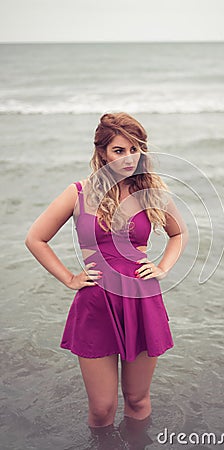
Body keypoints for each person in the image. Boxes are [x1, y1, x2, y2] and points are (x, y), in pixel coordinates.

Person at [25, 112, 189, 434]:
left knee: (137, 399)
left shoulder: (151, 190)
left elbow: (178, 234)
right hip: (96, 304)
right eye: (119, 150)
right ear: (102, 152)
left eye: (134, 149)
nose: (129, 158)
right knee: (102, 409)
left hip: (141, 299)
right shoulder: (78, 192)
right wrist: (70, 278)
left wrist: (163, 267)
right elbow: (35, 238)